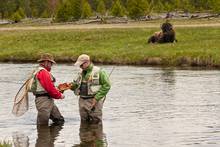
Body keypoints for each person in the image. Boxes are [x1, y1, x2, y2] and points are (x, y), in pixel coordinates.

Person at [63, 54, 111, 124]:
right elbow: (76, 85)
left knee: (96, 123)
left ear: (87, 62)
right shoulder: (80, 73)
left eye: (81, 65)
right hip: (82, 100)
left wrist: (96, 98)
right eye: (79, 65)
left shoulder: (100, 71)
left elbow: (107, 85)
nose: (80, 67)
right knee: (83, 122)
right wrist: (69, 86)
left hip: (94, 101)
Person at [31, 53, 65, 125]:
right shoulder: (43, 72)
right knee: (43, 124)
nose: (51, 65)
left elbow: (48, 87)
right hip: (43, 101)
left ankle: (52, 136)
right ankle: (44, 136)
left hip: (48, 100)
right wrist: (59, 95)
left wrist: (58, 90)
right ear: (46, 62)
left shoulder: (39, 71)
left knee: (59, 120)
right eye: (51, 63)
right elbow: (49, 88)